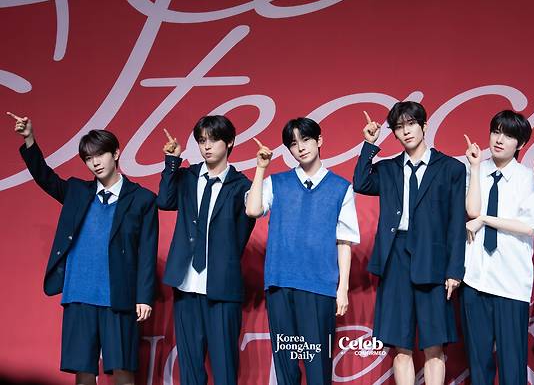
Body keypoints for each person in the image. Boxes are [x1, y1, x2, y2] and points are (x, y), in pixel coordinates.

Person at [9, 112, 157, 385]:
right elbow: (45, 178)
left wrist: (144, 296)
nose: (94, 163)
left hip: (119, 295)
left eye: (99, 155)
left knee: (123, 371)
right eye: (88, 158)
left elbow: (148, 251)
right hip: (79, 293)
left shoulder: (142, 199)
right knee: (84, 371)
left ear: (116, 153)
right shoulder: (77, 191)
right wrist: (29, 139)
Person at [352, 101, 466, 385]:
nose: (406, 132)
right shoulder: (388, 169)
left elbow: (455, 223)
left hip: (433, 260)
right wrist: (369, 144)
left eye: (411, 124)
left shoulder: (451, 168)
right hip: (396, 259)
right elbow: (360, 183)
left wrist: (454, 270)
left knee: (434, 345)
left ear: (424, 126)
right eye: (399, 127)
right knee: (400, 346)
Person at [245, 117, 359, 385]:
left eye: (306, 140)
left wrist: (342, 289)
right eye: (293, 144)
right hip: (280, 282)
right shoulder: (278, 182)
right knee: (286, 366)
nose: (301, 148)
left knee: (318, 366)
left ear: (319, 141)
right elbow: (252, 209)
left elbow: (344, 242)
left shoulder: (341, 188)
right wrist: (261, 168)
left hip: (320, 287)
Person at [157, 116, 255, 385]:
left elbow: (244, 228)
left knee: (224, 369)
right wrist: (172, 162)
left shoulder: (242, 185)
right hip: (186, 284)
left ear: (230, 142)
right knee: (190, 370)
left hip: (221, 287)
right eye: (201, 141)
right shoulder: (187, 177)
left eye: (213, 140)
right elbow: (164, 201)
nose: (206, 146)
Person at [461, 110, 534, 385]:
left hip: (511, 282)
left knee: (512, 367)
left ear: (520, 144)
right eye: (496, 131)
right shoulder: (476, 171)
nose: (499, 139)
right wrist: (473, 169)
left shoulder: (528, 178)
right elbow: (471, 211)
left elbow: (530, 226)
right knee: (478, 363)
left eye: (508, 135)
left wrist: (486, 219)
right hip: (475, 278)